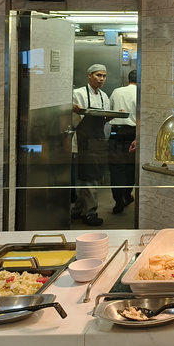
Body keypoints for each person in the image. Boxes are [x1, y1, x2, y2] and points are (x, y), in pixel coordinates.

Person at [71, 63, 111, 227]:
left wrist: (112, 116)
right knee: (89, 177)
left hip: (98, 141)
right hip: (83, 141)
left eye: (104, 76)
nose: (102, 79)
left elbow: (105, 118)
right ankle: (90, 213)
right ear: (89, 75)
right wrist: (73, 109)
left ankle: (77, 210)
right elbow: (72, 119)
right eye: (98, 75)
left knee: (92, 175)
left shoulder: (104, 96)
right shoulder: (78, 94)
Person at [108, 69, 138, 214]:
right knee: (130, 168)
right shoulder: (141, 93)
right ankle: (126, 195)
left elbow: (109, 111)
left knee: (116, 168)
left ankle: (118, 199)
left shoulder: (116, 91)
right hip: (133, 134)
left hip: (116, 132)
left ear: (128, 80)